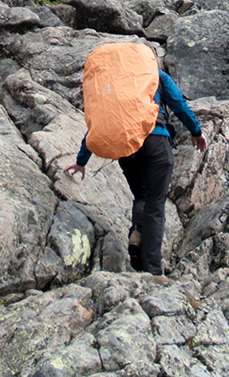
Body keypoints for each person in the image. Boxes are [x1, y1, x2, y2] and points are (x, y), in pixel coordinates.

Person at [62, 62, 205, 273]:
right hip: (156, 142)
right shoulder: (156, 75)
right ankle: (153, 271)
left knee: (142, 196)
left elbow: (100, 123)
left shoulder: (114, 84)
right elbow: (178, 105)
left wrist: (82, 160)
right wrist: (196, 131)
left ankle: (137, 234)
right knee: (155, 205)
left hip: (126, 146)